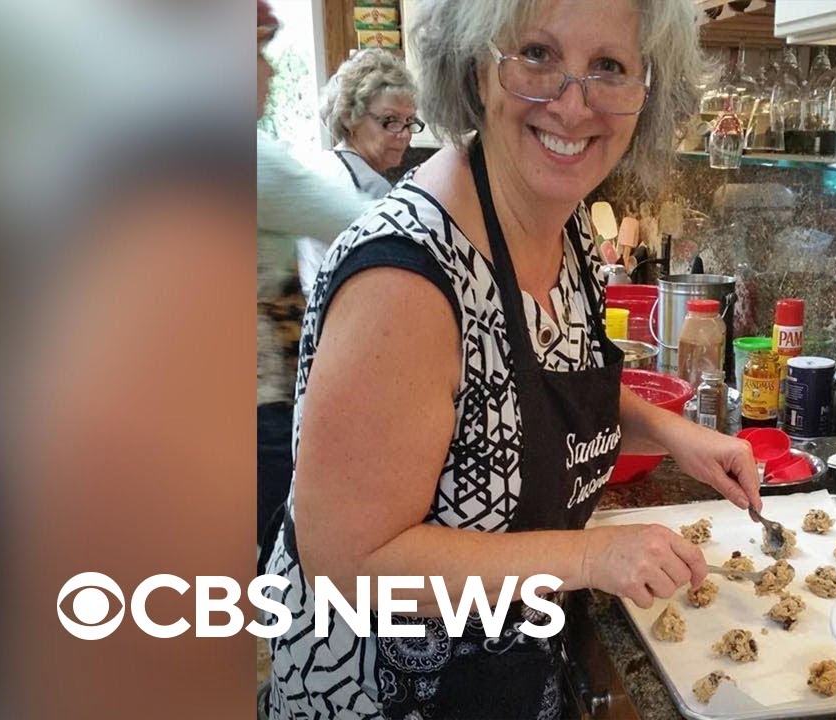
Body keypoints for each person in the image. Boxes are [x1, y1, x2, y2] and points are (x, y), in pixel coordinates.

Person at [262, 1, 759, 717]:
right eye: (537, 55)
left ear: (647, 94)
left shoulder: (568, 224)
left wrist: (675, 434)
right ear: (476, 67)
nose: (572, 103)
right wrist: (592, 557)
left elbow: (526, 386)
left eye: (609, 67)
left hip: (504, 671)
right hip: (380, 696)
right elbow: (351, 569)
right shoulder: (404, 280)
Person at [256, 2, 371, 551]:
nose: (270, 71)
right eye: (257, 51)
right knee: (285, 543)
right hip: (257, 406)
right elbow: (369, 223)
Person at [297, 49, 423, 297]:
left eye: (409, 121)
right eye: (390, 120)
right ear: (349, 119)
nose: (405, 134)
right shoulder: (367, 189)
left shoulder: (326, 164)